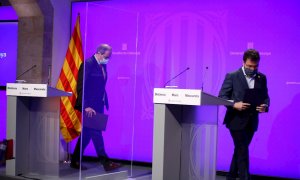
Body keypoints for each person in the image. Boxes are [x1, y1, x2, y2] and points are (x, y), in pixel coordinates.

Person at [218, 49, 270, 180]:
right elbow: (222, 96)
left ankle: (230, 177)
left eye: (255, 66)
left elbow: (265, 97)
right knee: (242, 150)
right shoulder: (232, 76)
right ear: (243, 62)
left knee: (240, 150)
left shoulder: (262, 78)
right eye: (249, 66)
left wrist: (265, 106)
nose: (252, 69)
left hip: (252, 121)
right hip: (235, 120)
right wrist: (234, 104)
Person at [70, 44, 121, 171]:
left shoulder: (102, 65)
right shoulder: (88, 64)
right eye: (107, 56)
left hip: (99, 104)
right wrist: (85, 105)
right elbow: (81, 86)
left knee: (87, 135)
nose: (108, 59)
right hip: (90, 106)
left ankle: (75, 160)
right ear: (99, 52)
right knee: (96, 133)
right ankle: (106, 162)